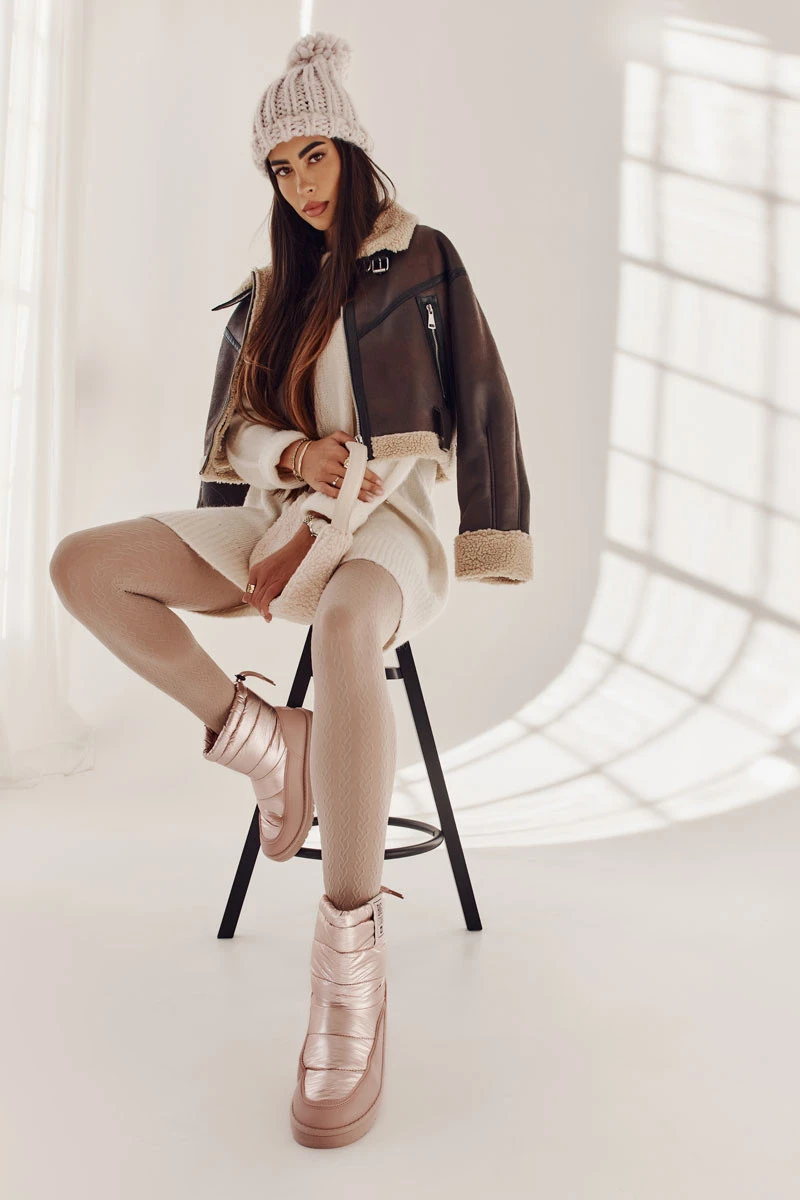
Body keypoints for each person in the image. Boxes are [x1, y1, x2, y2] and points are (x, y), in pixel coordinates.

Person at [49, 31, 533, 1149]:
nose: (300, 183)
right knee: (85, 565)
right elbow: (231, 432)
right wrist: (291, 459)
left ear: (350, 151)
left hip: (388, 528)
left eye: (313, 156)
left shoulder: (422, 261)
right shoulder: (271, 291)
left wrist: (475, 528)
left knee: (352, 627)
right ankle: (266, 739)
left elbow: (477, 401)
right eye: (280, 167)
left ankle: (349, 964)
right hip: (279, 521)